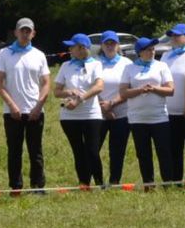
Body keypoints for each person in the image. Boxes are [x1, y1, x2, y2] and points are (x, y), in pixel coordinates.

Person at [0, 17, 50, 191]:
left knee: (36, 151)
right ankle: (16, 187)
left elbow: (46, 83)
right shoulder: (4, 54)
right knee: (14, 151)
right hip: (12, 112)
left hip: (35, 110)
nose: (25, 34)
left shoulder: (39, 55)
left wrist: (38, 106)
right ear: (16, 32)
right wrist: (12, 106)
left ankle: (37, 185)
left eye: (28, 31)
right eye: (22, 30)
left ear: (33, 33)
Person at [119, 36, 177, 185]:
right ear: (139, 52)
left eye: (153, 49)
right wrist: (140, 90)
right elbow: (123, 93)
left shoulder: (162, 66)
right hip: (137, 118)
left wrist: (154, 89)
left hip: (159, 118)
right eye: (148, 50)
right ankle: (148, 184)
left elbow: (170, 90)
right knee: (143, 154)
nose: (152, 52)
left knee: (164, 152)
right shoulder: (129, 68)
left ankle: (167, 183)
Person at [54, 34, 105, 186]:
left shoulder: (96, 65)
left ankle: (100, 183)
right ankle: (84, 184)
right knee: (78, 151)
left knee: (92, 151)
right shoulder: (65, 66)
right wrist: (69, 92)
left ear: (83, 49)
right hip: (69, 117)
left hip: (91, 115)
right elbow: (56, 92)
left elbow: (99, 86)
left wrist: (80, 99)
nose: (69, 49)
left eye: (73, 47)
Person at [95, 32, 133, 184]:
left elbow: (130, 88)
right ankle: (97, 182)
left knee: (117, 151)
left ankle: (114, 182)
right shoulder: (94, 62)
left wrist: (112, 104)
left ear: (118, 45)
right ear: (102, 45)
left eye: (113, 43)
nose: (110, 46)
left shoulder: (127, 63)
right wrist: (103, 107)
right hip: (98, 114)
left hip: (122, 114)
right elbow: (89, 87)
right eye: (107, 43)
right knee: (93, 149)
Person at [161, 25, 185, 182]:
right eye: (172, 35)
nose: (174, 38)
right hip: (169, 111)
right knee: (174, 149)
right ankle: (176, 180)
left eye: (178, 35)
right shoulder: (166, 55)